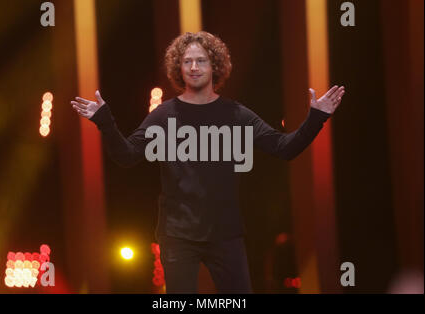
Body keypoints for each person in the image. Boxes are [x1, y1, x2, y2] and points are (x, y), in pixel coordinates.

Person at [71, 31, 345, 294]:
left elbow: (284, 148)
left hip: (225, 233)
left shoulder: (236, 114)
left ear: (215, 66)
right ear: (178, 68)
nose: (193, 67)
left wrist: (316, 117)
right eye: (187, 61)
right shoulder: (164, 115)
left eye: (200, 60)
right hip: (177, 234)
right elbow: (127, 156)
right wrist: (104, 122)